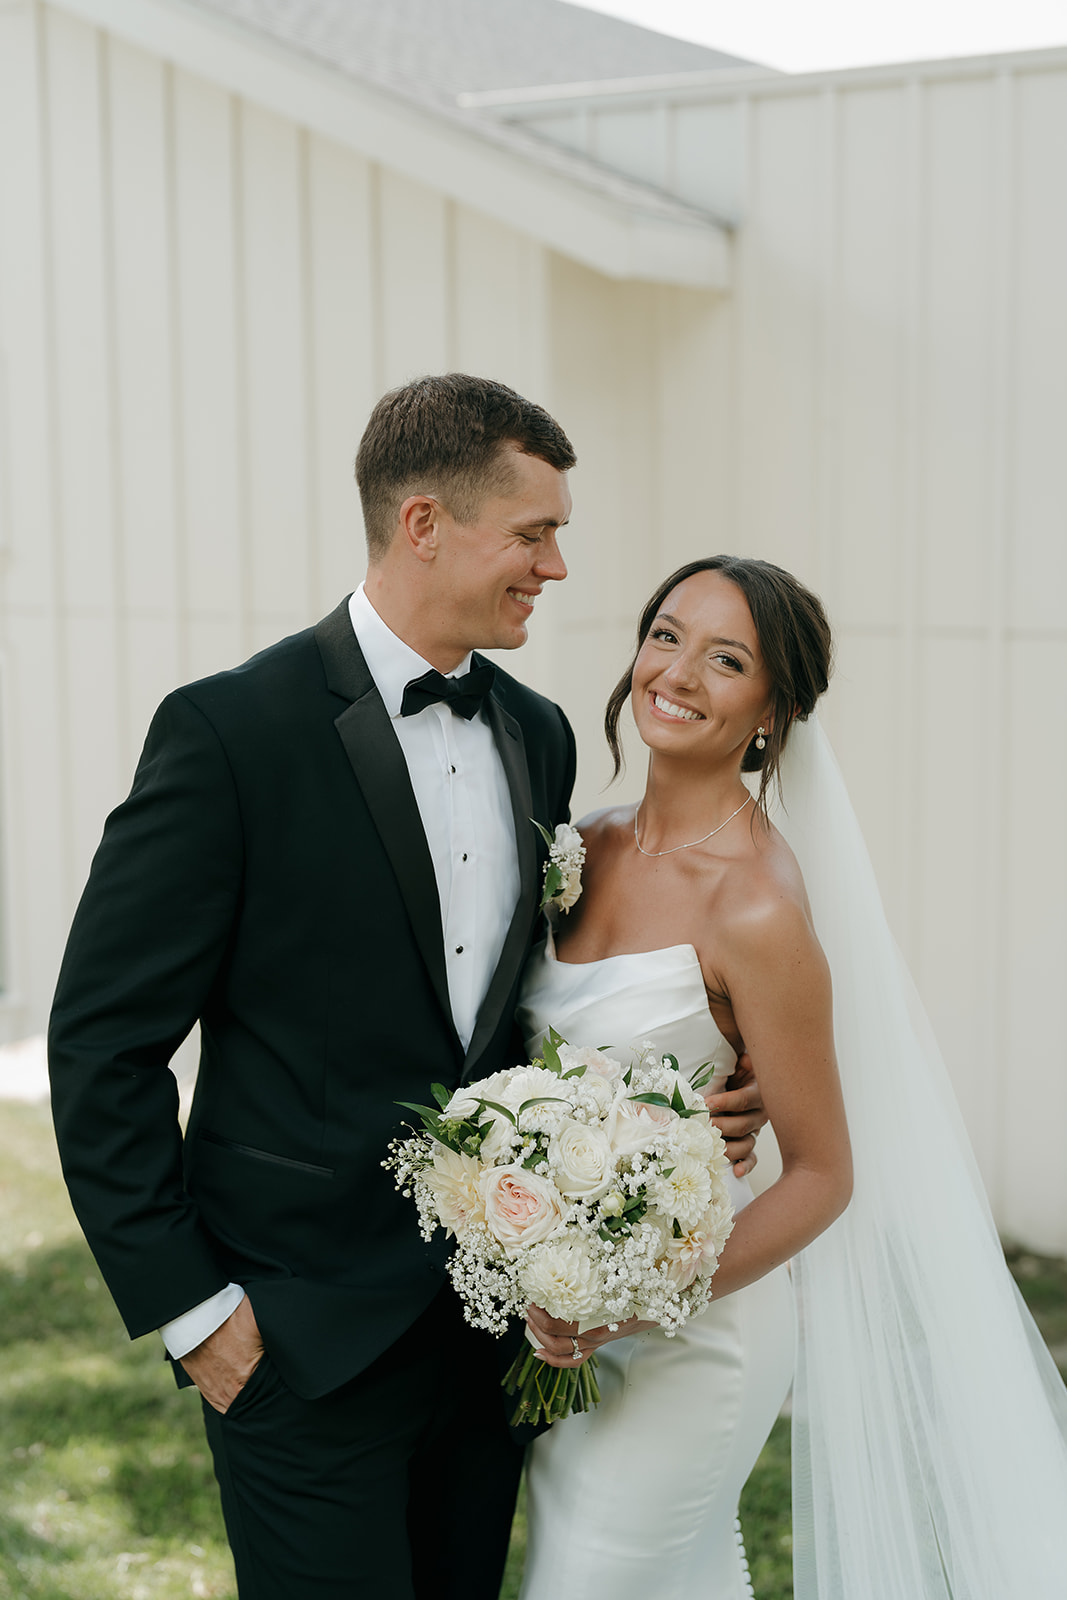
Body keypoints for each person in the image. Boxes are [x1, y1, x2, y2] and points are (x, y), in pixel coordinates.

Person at [46, 377, 764, 1600]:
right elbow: (102, 1046)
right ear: (424, 523)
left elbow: (531, 1009)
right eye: (532, 533)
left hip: (490, 1337)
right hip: (294, 1336)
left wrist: (677, 1108)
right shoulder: (231, 734)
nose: (556, 567)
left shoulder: (535, 733)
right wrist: (194, 1312)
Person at [516, 554, 1067, 1600]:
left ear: (772, 713)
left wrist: (630, 1302)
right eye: (665, 635)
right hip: (571, 1314)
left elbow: (821, 1174)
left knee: (582, 1580)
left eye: (726, 660)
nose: (676, 673)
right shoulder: (578, 846)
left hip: (696, 1331)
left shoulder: (756, 907)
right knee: (677, 1574)